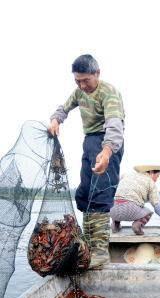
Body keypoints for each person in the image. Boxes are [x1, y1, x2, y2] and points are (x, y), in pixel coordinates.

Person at [48, 54, 125, 269]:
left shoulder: (108, 93)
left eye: (86, 80)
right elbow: (63, 108)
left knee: (100, 194)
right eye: (77, 81)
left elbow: (115, 127)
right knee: (85, 193)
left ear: (97, 74)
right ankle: (88, 246)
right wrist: (55, 120)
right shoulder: (79, 92)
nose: (82, 85)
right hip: (90, 142)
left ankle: (100, 253)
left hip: (108, 143)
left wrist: (107, 152)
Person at [110, 164, 160, 235]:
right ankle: (137, 225)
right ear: (151, 172)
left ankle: (115, 225)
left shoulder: (126, 175)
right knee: (148, 212)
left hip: (113, 210)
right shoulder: (150, 182)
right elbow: (157, 205)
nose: (156, 179)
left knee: (118, 202)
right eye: (157, 176)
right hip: (130, 209)